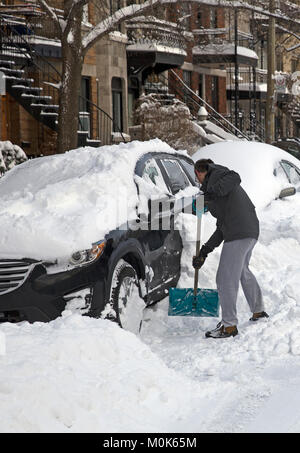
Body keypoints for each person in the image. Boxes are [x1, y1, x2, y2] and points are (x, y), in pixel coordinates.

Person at [193, 159, 269, 339]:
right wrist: (205, 250)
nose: (197, 180)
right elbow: (222, 227)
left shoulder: (218, 175)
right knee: (243, 271)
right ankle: (258, 311)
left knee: (225, 278)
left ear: (199, 172)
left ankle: (229, 326)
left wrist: (211, 194)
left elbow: (234, 177)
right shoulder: (214, 189)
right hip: (248, 230)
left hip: (239, 232)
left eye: (196, 176)